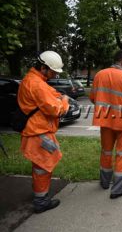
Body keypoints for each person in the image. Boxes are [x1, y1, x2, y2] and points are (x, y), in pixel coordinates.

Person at [18, 51, 69, 213]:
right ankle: (41, 201)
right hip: (39, 132)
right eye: (52, 71)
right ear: (43, 67)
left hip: (35, 131)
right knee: (44, 166)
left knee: (40, 165)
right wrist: (65, 102)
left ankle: (40, 194)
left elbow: (51, 94)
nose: (54, 75)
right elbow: (56, 109)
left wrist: (59, 96)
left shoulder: (33, 80)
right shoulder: (37, 84)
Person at [89, 50, 122, 199]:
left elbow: (93, 98)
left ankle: (105, 182)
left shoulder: (99, 75)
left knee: (106, 151)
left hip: (104, 120)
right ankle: (118, 189)